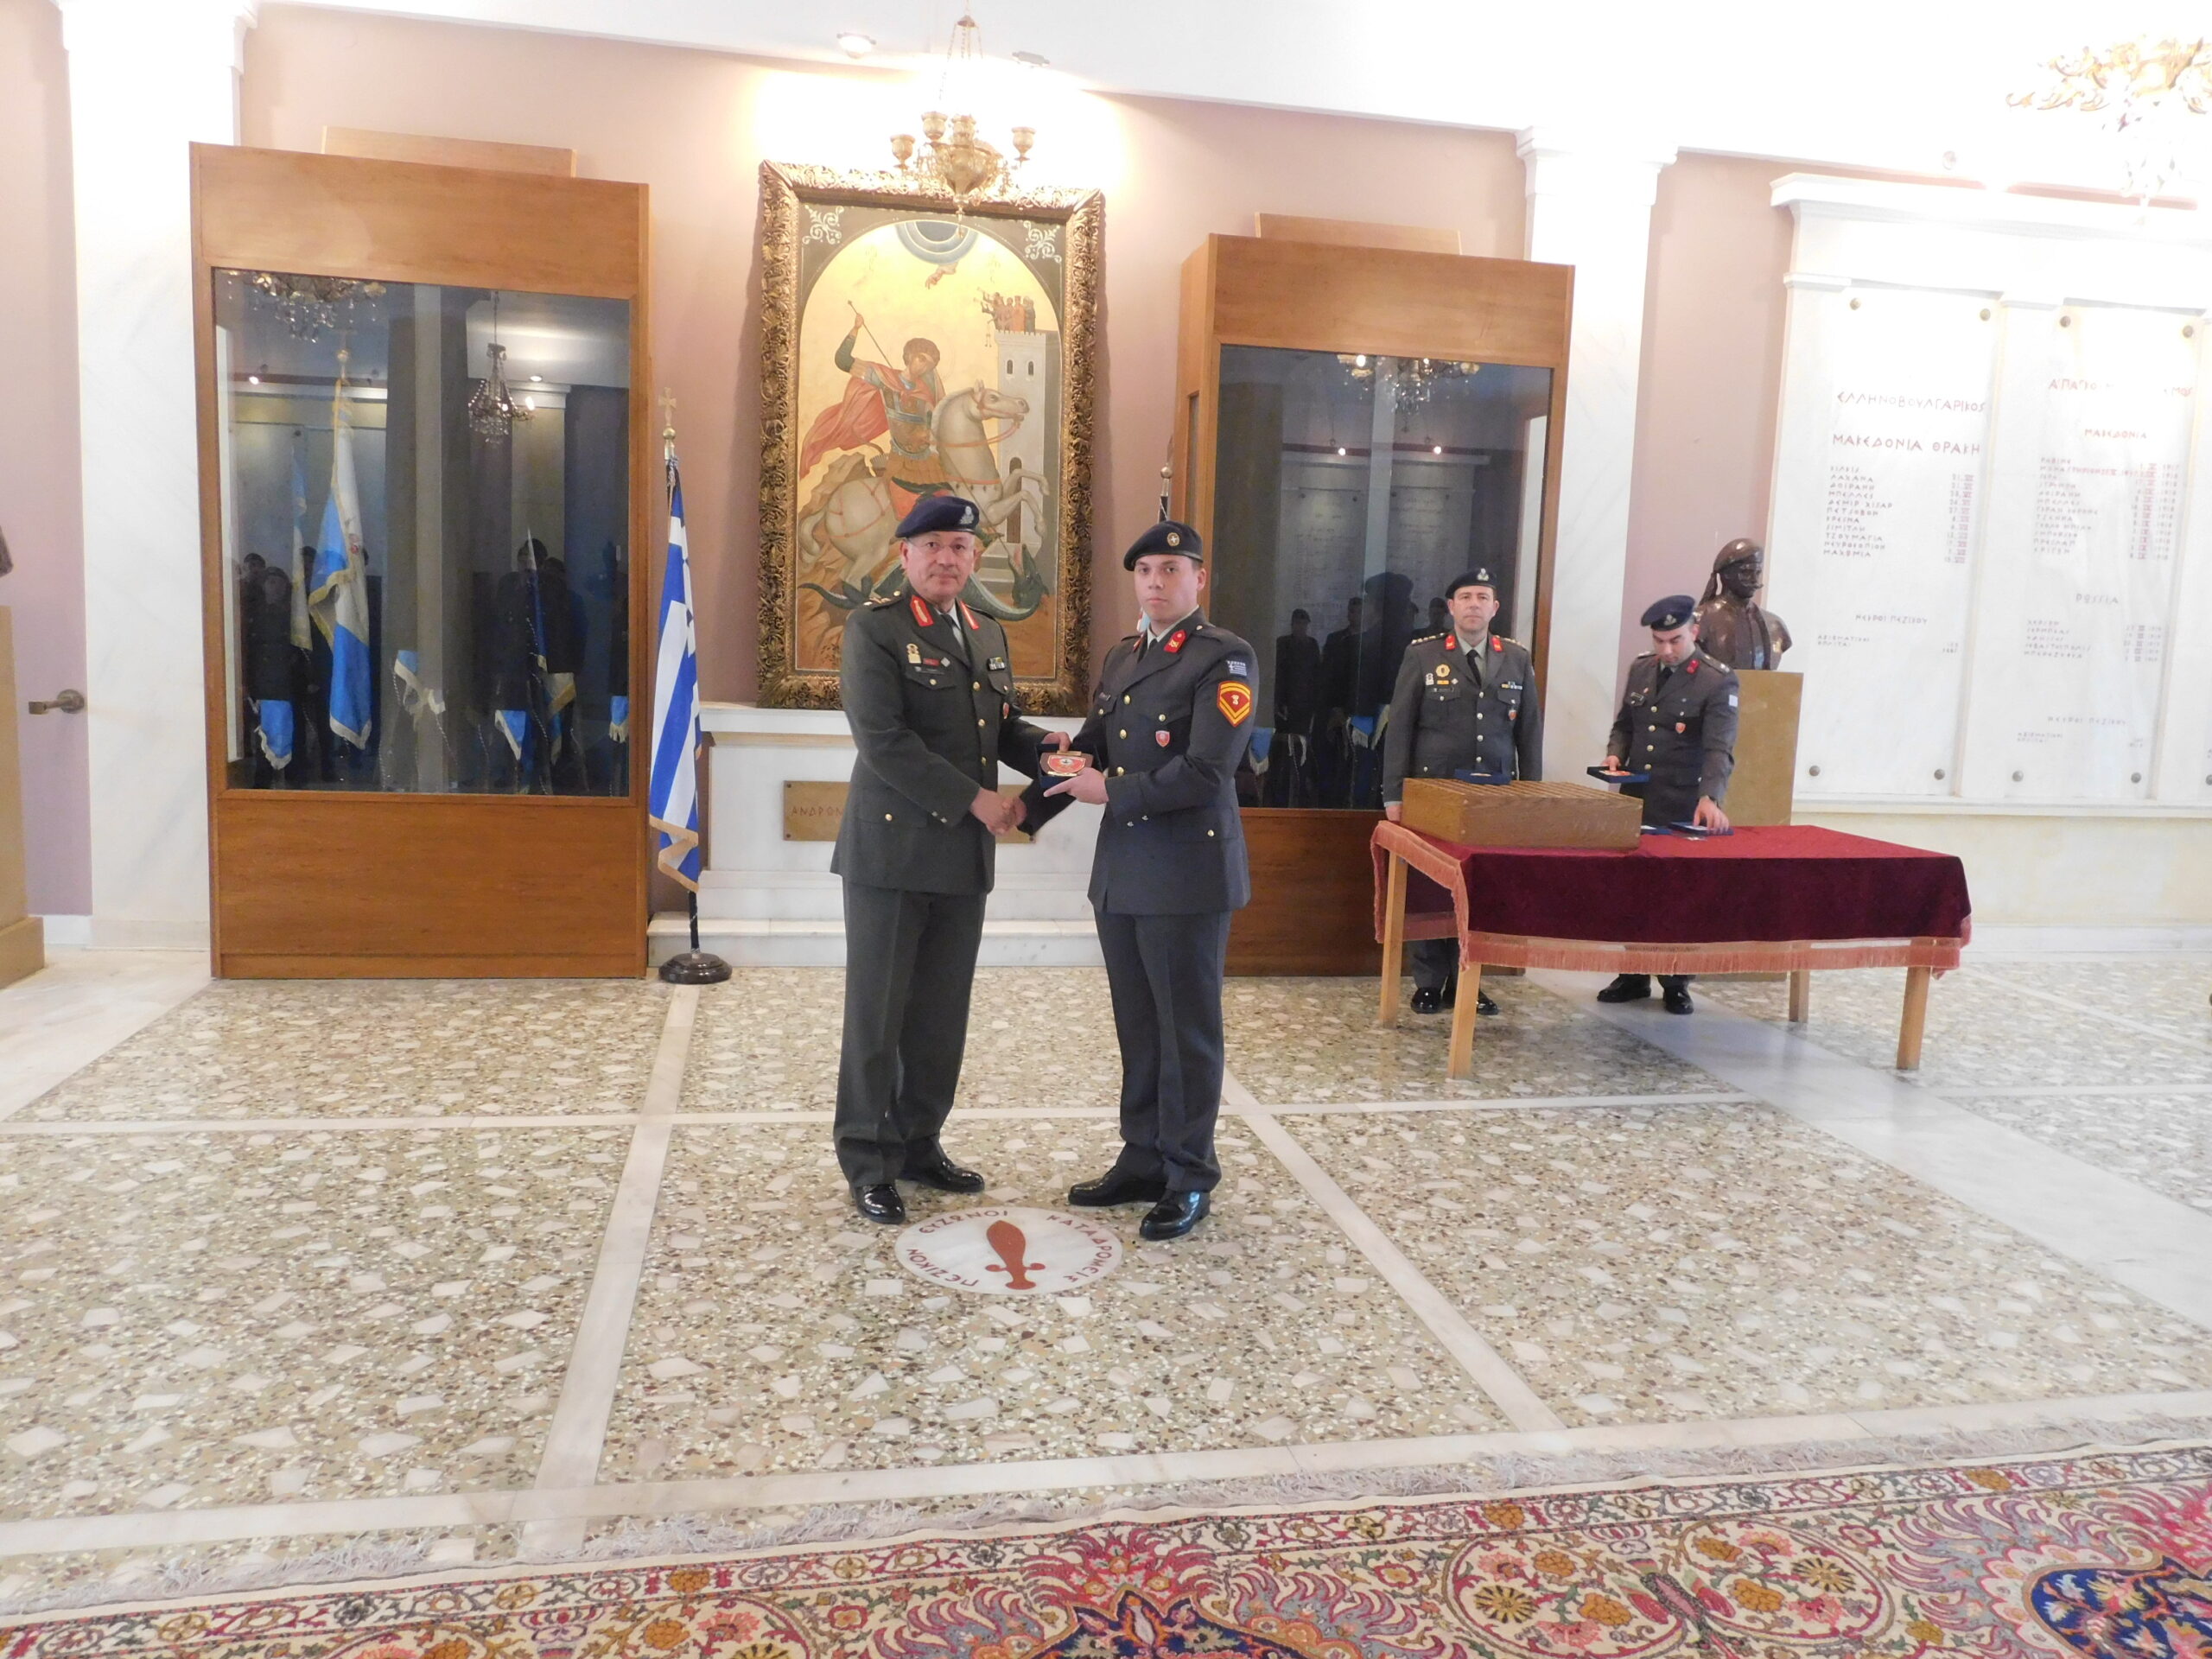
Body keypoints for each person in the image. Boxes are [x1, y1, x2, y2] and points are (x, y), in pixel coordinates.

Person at [831, 493, 1065, 1224]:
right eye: (931, 545)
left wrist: (1048, 750)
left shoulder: (987, 632)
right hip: (892, 855)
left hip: (960, 860)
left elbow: (997, 724)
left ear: (973, 559)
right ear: (904, 555)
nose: (946, 558)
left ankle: (919, 1142)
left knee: (939, 1017)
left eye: (959, 547)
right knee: (878, 1016)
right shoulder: (874, 629)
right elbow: (884, 740)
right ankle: (868, 1161)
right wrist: (976, 800)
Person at [1030, 521, 1255, 1242]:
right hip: (1125, 872)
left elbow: (1207, 771)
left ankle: (1189, 1175)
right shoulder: (1125, 655)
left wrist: (1111, 791)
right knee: (1139, 1025)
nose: (1156, 581)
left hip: (1185, 874)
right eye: (1145, 570)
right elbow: (1094, 747)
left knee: (1186, 1031)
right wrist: (1032, 791)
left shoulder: (1224, 658)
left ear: (1199, 579)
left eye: (1171, 569)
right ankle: (1143, 1156)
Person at [1381, 567, 1542, 1017]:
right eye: (1466, 597)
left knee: (1482, 889)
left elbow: (1529, 732)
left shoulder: (1516, 658)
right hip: (1433, 795)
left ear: (1495, 608)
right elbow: (1400, 728)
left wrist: (1531, 796)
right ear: (1451, 607)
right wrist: (1394, 794)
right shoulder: (1423, 655)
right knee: (1432, 886)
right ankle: (1430, 982)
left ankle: (1470, 981)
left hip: (1493, 797)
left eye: (1482, 597)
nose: (1474, 604)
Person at [1598, 594, 1739, 1015]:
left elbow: (1719, 748)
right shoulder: (1642, 668)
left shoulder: (1716, 680)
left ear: (1694, 632)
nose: (1667, 650)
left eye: (1675, 640)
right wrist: (1614, 754)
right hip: (1638, 799)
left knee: (1679, 897)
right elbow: (1625, 725)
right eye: (1659, 641)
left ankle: (1676, 982)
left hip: (1682, 803)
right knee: (1635, 891)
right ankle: (1634, 974)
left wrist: (1710, 797)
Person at [1693, 537, 1793, 671]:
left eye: (1757, 573)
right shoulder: (1699, 619)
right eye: (1747, 573)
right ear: (1726, 574)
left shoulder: (1775, 625)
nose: (1755, 580)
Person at [1265, 607, 1323, 805]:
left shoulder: (1312, 645)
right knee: (1282, 751)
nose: (1300, 627)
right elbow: (1278, 674)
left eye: (1303, 623)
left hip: (1305, 705)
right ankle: (1280, 791)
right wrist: (1277, 702)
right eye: (1297, 623)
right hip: (1285, 705)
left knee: (1302, 749)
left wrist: (1315, 706)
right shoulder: (1283, 643)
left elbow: (1316, 676)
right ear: (1292, 624)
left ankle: (1300, 792)